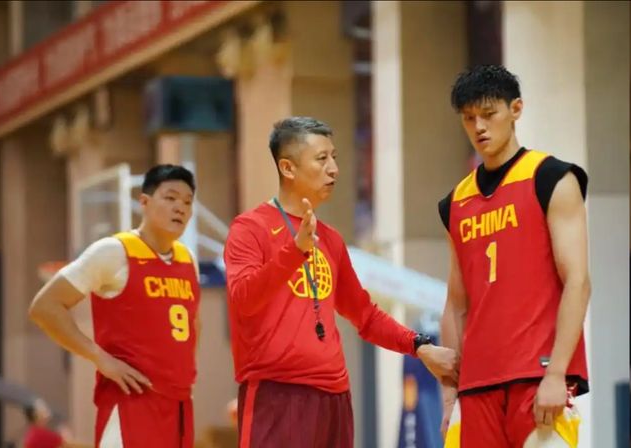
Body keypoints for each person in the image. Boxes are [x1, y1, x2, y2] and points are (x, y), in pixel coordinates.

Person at [223, 116, 458, 447]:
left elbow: (365, 315)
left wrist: (420, 346)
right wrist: (294, 252)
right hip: (278, 394)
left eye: (334, 157)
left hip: (334, 398)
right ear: (288, 168)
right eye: (321, 159)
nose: (333, 169)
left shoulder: (330, 239)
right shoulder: (250, 229)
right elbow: (243, 299)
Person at [438, 65, 590, 447]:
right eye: (469, 118)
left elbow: (578, 282)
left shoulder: (552, 178)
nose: (479, 127)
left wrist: (557, 373)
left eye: (489, 114)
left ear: (516, 109)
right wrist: (449, 394)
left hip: (538, 377)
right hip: (476, 385)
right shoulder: (456, 202)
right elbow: (455, 304)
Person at [29, 165, 201, 447]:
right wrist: (100, 358)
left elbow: (193, 323)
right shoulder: (113, 252)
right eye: (170, 198)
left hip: (178, 405)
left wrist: (184, 371)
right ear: (144, 202)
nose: (180, 207)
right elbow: (45, 307)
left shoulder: (187, 260)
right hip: (130, 401)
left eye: (187, 201)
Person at [23, 398, 90, 448]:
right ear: (36, 416)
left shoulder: (32, 433)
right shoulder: (40, 434)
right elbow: (67, 444)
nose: (45, 413)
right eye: (41, 411)